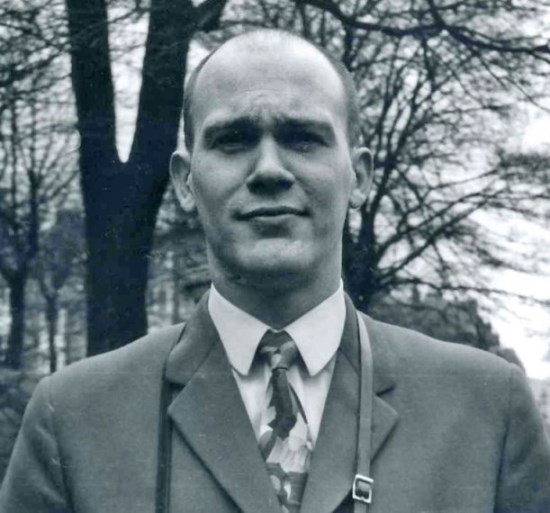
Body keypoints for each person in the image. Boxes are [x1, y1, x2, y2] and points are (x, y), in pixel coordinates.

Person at [1, 29, 549, 513]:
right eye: (233, 140)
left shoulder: (488, 411)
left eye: (303, 138)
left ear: (359, 177)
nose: (268, 170)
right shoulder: (72, 420)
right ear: (186, 182)